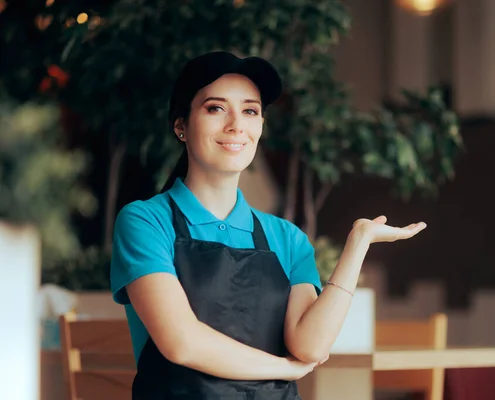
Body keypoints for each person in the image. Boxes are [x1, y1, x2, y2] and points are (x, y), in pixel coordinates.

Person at [110, 51, 427, 399]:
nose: (236, 125)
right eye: (215, 108)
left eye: (250, 111)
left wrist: (359, 242)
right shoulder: (146, 221)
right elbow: (181, 343)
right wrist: (283, 369)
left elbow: (309, 347)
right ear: (181, 126)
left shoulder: (288, 238)